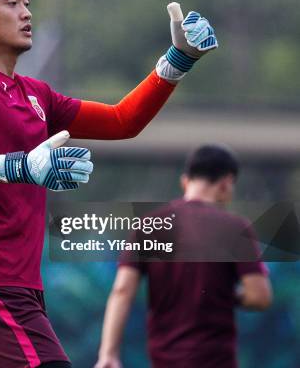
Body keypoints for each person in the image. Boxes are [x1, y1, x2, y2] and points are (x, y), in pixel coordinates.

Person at [0, 0, 218, 367]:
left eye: (27, 3)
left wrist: (178, 59)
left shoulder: (35, 93)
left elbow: (121, 121)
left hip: (19, 285)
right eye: (12, 4)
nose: (27, 13)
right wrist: (19, 166)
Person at [95, 145, 272, 368]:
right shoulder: (235, 228)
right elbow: (259, 296)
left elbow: (122, 291)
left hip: (164, 359)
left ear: (185, 181)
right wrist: (225, 293)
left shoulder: (150, 226)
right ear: (227, 182)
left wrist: (108, 354)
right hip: (216, 360)